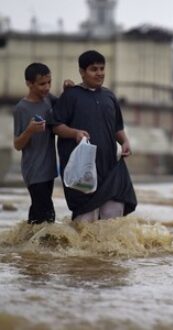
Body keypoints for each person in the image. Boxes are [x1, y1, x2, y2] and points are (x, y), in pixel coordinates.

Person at [53, 50, 137, 222]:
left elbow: (117, 127)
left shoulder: (109, 96)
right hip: (81, 170)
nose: (99, 73)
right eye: (93, 69)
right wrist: (74, 133)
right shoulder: (70, 95)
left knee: (113, 220)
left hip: (109, 169)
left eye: (102, 69)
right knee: (85, 222)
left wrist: (125, 142)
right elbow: (55, 126)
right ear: (82, 72)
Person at [13, 63, 60, 224]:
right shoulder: (22, 108)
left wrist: (68, 88)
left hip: (49, 169)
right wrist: (30, 130)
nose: (46, 87)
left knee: (37, 216)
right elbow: (17, 145)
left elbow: (65, 104)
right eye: (41, 84)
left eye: (49, 82)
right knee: (48, 216)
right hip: (34, 171)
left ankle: (25, 245)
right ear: (29, 83)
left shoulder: (49, 99)